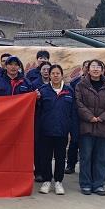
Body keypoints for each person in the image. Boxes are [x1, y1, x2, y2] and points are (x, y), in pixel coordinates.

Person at [75, 59, 105, 196]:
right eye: (93, 66)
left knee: (102, 158)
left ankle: (98, 184)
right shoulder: (81, 85)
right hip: (87, 126)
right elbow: (78, 103)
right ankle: (86, 184)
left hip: (104, 126)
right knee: (86, 157)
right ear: (88, 69)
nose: (95, 69)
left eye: (99, 67)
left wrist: (102, 117)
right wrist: (90, 117)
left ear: (103, 70)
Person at [37, 65, 78, 195]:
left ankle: (58, 182)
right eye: (53, 73)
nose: (55, 75)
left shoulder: (69, 91)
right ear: (49, 75)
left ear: (62, 75)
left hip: (62, 131)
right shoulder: (42, 91)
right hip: (46, 131)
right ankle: (47, 181)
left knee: (60, 158)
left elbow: (73, 113)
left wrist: (72, 131)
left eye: (58, 73)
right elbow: (37, 111)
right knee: (46, 157)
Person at [65, 60, 90, 174]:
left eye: (90, 67)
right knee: (74, 141)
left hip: (90, 116)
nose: (88, 69)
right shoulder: (75, 82)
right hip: (76, 115)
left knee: (88, 142)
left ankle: (87, 167)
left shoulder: (98, 82)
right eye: (86, 67)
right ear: (82, 68)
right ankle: (70, 165)